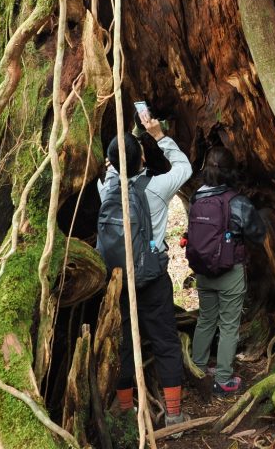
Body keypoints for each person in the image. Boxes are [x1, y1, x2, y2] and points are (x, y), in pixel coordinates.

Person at [99, 113, 192, 427]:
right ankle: (175, 414)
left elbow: (113, 171)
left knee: (123, 341)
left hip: (117, 280)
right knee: (165, 340)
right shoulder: (157, 188)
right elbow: (185, 168)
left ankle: (125, 413)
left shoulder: (105, 188)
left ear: (111, 162)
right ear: (141, 158)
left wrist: (115, 163)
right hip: (152, 278)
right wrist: (159, 135)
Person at [189, 146, 266, 395]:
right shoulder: (238, 202)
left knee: (206, 320)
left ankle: (197, 368)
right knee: (229, 324)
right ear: (231, 171)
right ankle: (223, 379)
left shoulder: (197, 197)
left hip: (203, 270)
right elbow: (258, 233)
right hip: (229, 271)